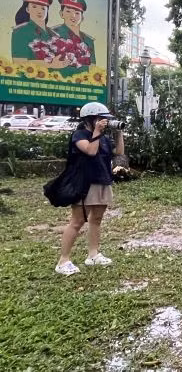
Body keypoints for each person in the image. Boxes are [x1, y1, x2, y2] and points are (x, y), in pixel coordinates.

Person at [55, 102, 124, 276]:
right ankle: (63, 261)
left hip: (103, 180)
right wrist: (97, 132)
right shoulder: (79, 135)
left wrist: (119, 133)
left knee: (97, 219)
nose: (104, 122)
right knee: (77, 221)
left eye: (105, 119)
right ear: (89, 119)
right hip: (84, 183)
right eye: (100, 118)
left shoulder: (103, 138)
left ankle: (93, 255)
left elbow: (119, 152)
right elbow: (90, 151)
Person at [11, 0, 69, 69]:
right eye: (34, 6)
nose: (39, 11)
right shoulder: (21, 31)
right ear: (27, 9)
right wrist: (50, 64)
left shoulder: (54, 34)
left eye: (43, 8)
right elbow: (19, 62)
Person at [51, 0, 96, 77]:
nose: (73, 16)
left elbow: (92, 67)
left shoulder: (88, 40)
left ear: (82, 18)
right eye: (68, 11)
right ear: (61, 14)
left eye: (77, 13)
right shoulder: (52, 33)